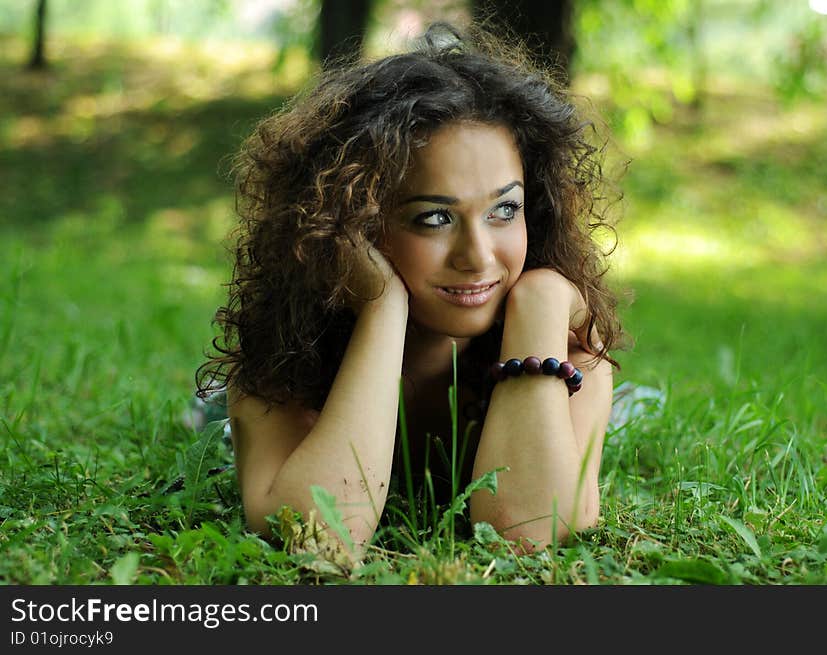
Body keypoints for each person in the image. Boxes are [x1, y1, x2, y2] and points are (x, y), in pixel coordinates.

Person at [196, 21, 625, 555]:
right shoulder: (286, 360)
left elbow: (529, 528)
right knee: (206, 418)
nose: (478, 256)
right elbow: (315, 539)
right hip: (255, 392)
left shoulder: (573, 360)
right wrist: (382, 305)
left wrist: (542, 300)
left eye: (504, 210)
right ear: (352, 224)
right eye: (434, 218)